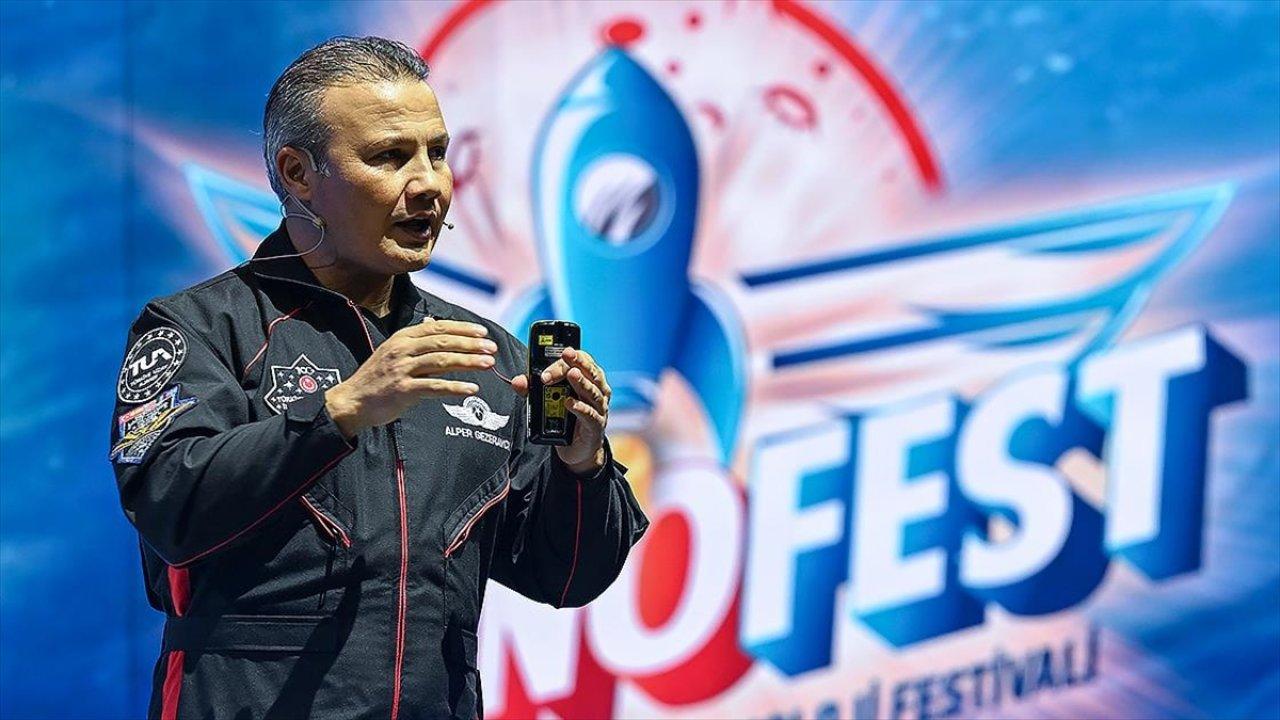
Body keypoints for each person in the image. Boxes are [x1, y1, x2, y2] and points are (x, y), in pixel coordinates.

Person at [109, 36, 648, 719]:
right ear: (298, 174)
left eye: (437, 153)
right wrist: (339, 412)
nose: (428, 184)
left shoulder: (490, 358)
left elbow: (566, 578)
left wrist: (582, 465)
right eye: (389, 157)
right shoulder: (199, 326)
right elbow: (169, 508)